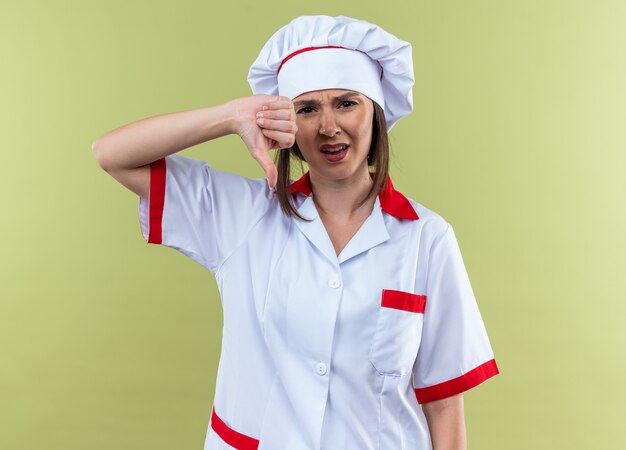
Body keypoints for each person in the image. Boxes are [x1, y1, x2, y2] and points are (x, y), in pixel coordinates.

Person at [93, 15, 499, 450]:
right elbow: (112, 154)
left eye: (346, 103)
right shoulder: (244, 217)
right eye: (307, 109)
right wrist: (230, 116)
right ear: (286, 126)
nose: (328, 126)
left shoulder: (427, 239)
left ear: (376, 114)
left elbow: (443, 407)